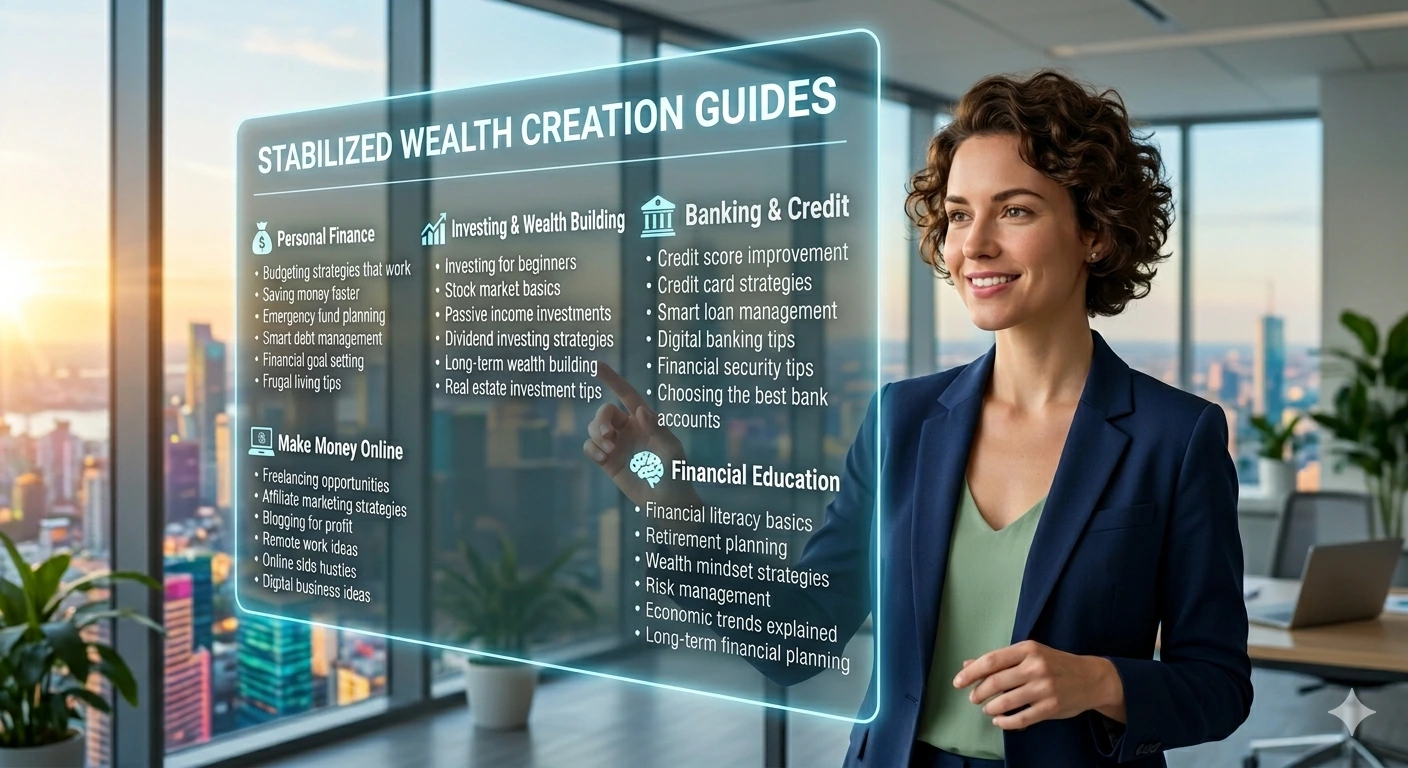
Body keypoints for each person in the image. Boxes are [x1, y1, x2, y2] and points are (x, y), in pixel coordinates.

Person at [584, 70, 1252, 767]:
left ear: (1094, 232)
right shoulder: (900, 421)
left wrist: (1099, 681)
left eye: (1015, 211)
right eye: (960, 214)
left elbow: (1218, 685)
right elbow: (798, 639)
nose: (975, 244)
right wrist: (672, 504)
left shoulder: (1174, 439)